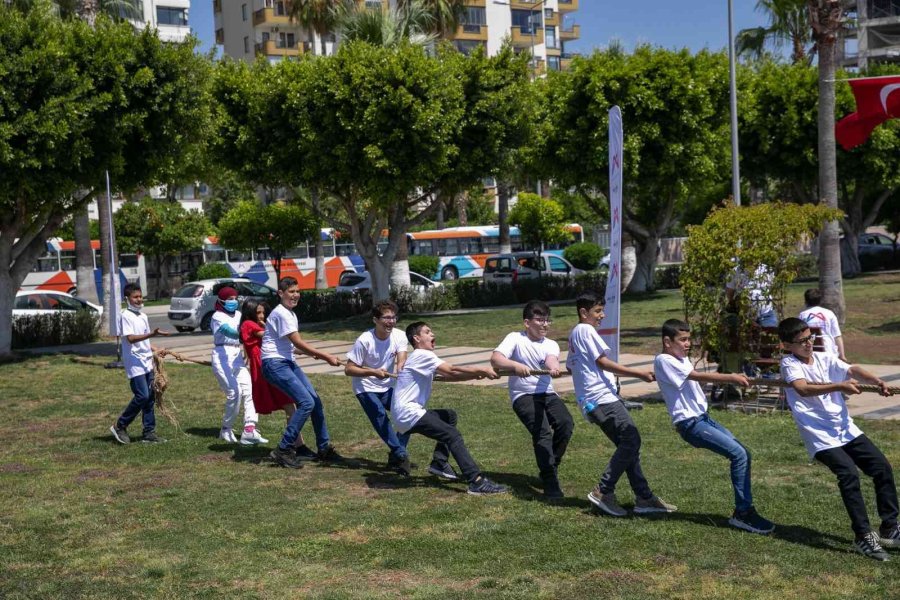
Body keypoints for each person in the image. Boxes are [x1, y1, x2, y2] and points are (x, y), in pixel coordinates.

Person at [778, 317, 898, 561]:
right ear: (787, 345)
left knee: (881, 468)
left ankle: (890, 527)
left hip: (845, 428)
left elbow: (851, 369)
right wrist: (839, 386)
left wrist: (877, 381)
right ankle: (863, 536)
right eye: (801, 341)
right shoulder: (789, 363)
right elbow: (802, 388)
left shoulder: (822, 357)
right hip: (819, 435)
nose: (808, 344)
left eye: (810, 337)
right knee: (848, 474)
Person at [654, 319, 774, 534]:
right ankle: (744, 513)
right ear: (667, 341)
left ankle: (744, 511)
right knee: (738, 454)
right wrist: (730, 377)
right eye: (682, 340)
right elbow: (696, 376)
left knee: (743, 452)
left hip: (704, 418)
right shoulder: (664, 360)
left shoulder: (682, 359)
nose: (688, 344)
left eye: (689, 339)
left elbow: (693, 382)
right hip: (691, 424)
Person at [566, 292, 676, 517]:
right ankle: (603, 491)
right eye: (597, 311)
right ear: (583, 313)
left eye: (602, 310)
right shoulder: (586, 330)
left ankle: (644, 497)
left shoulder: (575, 333)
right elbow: (603, 362)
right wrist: (638, 373)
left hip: (592, 401)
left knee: (629, 449)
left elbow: (571, 366)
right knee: (631, 438)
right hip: (601, 399)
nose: (602, 315)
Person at [392, 321, 508, 495]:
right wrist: (481, 368)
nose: (432, 334)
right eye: (427, 332)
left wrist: (475, 374)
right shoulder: (422, 355)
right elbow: (451, 370)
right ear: (416, 338)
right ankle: (476, 481)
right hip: (409, 412)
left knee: (449, 416)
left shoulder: (421, 358)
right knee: (453, 435)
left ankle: (439, 463)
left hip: (405, 413)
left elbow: (449, 377)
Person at [490, 300, 573, 499]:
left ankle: (551, 464)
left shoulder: (550, 344)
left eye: (547, 320)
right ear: (527, 322)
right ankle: (550, 480)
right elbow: (496, 359)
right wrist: (515, 366)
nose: (545, 324)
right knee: (543, 433)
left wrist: (553, 366)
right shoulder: (515, 338)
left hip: (547, 393)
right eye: (540, 320)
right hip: (523, 395)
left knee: (565, 423)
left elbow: (550, 358)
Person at [263, 276, 344, 469]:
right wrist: (325, 356)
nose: (296, 295)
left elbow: (288, 344)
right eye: (291, 292)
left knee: (315, 402)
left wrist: (309, 354)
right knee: (306, 402)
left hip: (287, 361)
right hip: (275, 365)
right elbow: (297, 342)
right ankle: (283, 449)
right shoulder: (281, 313)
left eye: (297, 291)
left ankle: (324, 449)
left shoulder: (290, 313)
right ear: (280, 294)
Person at [239, 299, 316, 459]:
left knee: (291, 406)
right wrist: (274, 326)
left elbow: (284, 343)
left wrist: (309, 352)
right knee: (292, 405)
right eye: (257, 312)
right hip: (267, 370)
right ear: (249, 313)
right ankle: (293, 446)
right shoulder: (248, 324)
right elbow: (270, 335)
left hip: (274, 367)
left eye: (262, 312)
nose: (261, 315)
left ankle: (297, 445)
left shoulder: (261, 325)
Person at [344, 300, 411, 474]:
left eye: (393, 317)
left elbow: (401, 357)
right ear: (375, 319)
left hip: (388, 386)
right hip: (365, 387)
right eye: (386, 318)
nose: (391, 321)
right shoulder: (364, 340)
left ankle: (397, 454)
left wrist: (401, 369)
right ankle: (400, 454)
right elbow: (349, 369)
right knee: (380, 416)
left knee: (407, 413)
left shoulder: (399, 335)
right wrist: (373, 372)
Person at [110, 283, 171, 444]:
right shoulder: (125, 316)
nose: (139, 299)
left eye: (140, 296)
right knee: (142, 395)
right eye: (135, 297)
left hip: (146, 361)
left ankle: (149, 432)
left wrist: (156, 349)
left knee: (150, 397)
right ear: (127, 299)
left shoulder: (143, 316)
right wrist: (152, 333)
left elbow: (145, 340)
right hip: (135, 362)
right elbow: (131, 338)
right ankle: (120, 425)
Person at [211, 286, 266, 445]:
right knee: (235, 393)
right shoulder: (217, 316)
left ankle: (249, 428)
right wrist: (249, 332)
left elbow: (245, 331)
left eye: (235, 298)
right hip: (222, 355)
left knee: (249, 390)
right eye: (229, 299)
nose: (233, 301)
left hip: (237, 355)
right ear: (221, 300)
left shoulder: (240, 315)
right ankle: (226, 429)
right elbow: (228, 331)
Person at [799, 288, 846, 360]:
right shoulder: (829, 313)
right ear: (820, 301)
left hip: (810, 353)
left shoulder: (802, 315)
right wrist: (842, 356)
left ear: (806, 301)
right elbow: (837, 336)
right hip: (829, 353)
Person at [726, 263, 778, 328]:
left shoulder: (767, 270)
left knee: (770, 335)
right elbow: (730, 293)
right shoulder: (735, 271)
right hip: (745, 317)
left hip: (766, 314)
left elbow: (771, 289)